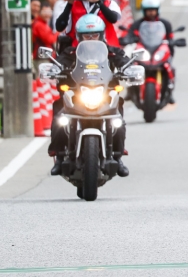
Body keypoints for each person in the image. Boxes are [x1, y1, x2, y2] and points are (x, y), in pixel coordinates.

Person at [50, 15, 130, 177]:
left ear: (101, 35)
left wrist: (129, 69)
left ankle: (117, 155)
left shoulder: (112, 52)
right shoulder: (71, 52)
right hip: (77, 96)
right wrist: (55, 69)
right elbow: (59, 62)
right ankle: (59, 157)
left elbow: (124, 61)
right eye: (87, 35)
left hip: (104, 96)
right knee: (60, 116)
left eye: (95, 35)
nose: (91, 38)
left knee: (118, 121)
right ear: (79, 36)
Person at [127, 0, 176, 103]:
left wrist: (173, 42)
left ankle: (169, 89)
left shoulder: (165, 24)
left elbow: (170, 38)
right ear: (144, 11)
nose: (151, 13)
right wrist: (127, 39)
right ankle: (130, 90)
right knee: (131, 66)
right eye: (148, 10)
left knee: (170, 66)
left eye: (153, 10)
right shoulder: (137, 24)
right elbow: (130, 35)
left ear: (158, 10)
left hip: (158, 49)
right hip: (144, 49)